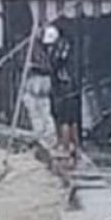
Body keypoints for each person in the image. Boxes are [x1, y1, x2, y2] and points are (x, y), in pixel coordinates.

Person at [44, 25, 79, 159]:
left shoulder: (57, 52)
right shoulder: (65, 48)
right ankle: (74, 147)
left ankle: (65, 147)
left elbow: (55, 67)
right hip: (70, 87)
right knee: (72, 121)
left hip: (63, 89)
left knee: (64, 120)